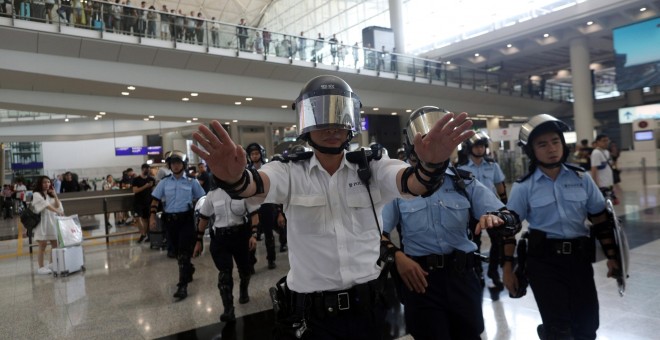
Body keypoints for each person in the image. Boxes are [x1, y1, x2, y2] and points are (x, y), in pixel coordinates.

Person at [191, 74, 475, 339]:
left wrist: (432, 165)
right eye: (319, 115)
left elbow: (412, 183)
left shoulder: (372, 166)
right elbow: (255, 185)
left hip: (371, 311)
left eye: (339, 115)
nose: (331, 127)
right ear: (304, 121)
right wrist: (234, 178)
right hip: (314, 319)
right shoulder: (289, 170)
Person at [381, 107, 516, 339]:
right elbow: (375, 234)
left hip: (463, 277)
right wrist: (398, 258)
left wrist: (499, 219)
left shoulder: (464, 183)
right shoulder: (400, 186)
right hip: (421, 281)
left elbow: (510, 217)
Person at [504, 114, 622, 340]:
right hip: (543, 263)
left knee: (587, 326)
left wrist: (613, 257)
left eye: (556, 141)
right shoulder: (523, 187)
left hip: (579, 261)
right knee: (559, 328)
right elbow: (509, 230)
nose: (551, 148)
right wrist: (507, 269)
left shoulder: (581, 178)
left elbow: (601, 220)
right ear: (531, 151)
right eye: (543, 144)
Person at [193, 187, 258, 322]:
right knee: (224, 275)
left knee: (245, 270)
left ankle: (243, 289)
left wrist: (254, 235)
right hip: (220, 239)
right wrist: (198, 240)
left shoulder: (244, 190)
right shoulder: (212, 194)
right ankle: (228, 309)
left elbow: (254, 214)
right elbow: (203, 218)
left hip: (240, 236)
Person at [149, 150, 205, 300]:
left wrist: (203, 219)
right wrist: (152, 218)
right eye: (172, 163)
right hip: (169, 221)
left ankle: (182, 286)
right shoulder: (164, 182)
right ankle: (189, 268)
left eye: (178, 163)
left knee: (183, 253)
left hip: (186, 220)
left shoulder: (191, 182)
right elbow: (155, 200)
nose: (175, 166)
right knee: (175, 252)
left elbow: (202, 199)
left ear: (184, 165)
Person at [457, 131, 508, 289]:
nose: (480, 149)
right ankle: (477, 271)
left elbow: (500, 185)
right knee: (474, 244)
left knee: (498, 242)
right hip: (472, 213)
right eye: (476, 146)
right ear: (469, 148)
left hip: (492, 212)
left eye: (482, 146)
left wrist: (504, 206)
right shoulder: (461, 168)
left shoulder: (493, 166)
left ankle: (493, 272)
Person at [246, 142, 279, 269]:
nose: (254, 156)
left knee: (268, 234)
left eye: (256, 153)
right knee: (252, 234)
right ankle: (251, 262)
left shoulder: (268, 168)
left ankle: (271, 259)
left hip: (267, 205)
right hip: (253, 205)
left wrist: (278, 210)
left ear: (261, 154)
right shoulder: (247, 170)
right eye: (252, 154)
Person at [31, 176, 64, 275]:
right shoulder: (36, 194)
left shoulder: (50, 194)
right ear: (40, 183)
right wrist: (57, 211)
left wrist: (55, 195)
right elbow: (46, 205)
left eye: (48, 182)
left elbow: (58, 206)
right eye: (44, 182)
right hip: (42, 222)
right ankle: (41, 267)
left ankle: (51, 263)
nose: (47, 184)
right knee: (43, 244)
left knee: (55, 243)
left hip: (51, 221)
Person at [132, 163, 155, 243]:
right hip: (138, 202)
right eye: (146, 170)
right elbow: (135, 190)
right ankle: (143, 233)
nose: (148, 171)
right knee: (138, 218)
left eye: (149, 170)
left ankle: (144, 234)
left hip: (148, 201)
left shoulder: (151, 179)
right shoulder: (136, 179)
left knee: (146, 219)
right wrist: (145, 186)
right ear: (142, 169)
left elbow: (153, 190)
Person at [590, 134, 617, 203]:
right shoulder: (596, 153)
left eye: (607, 140)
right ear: (597, 142)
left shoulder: (606, 152)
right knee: (604, 205)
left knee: (610, 204)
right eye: (603, 141)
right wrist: (595, 185)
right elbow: (594, 169)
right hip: (602, 184)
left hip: (608, 183)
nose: (606, 142)